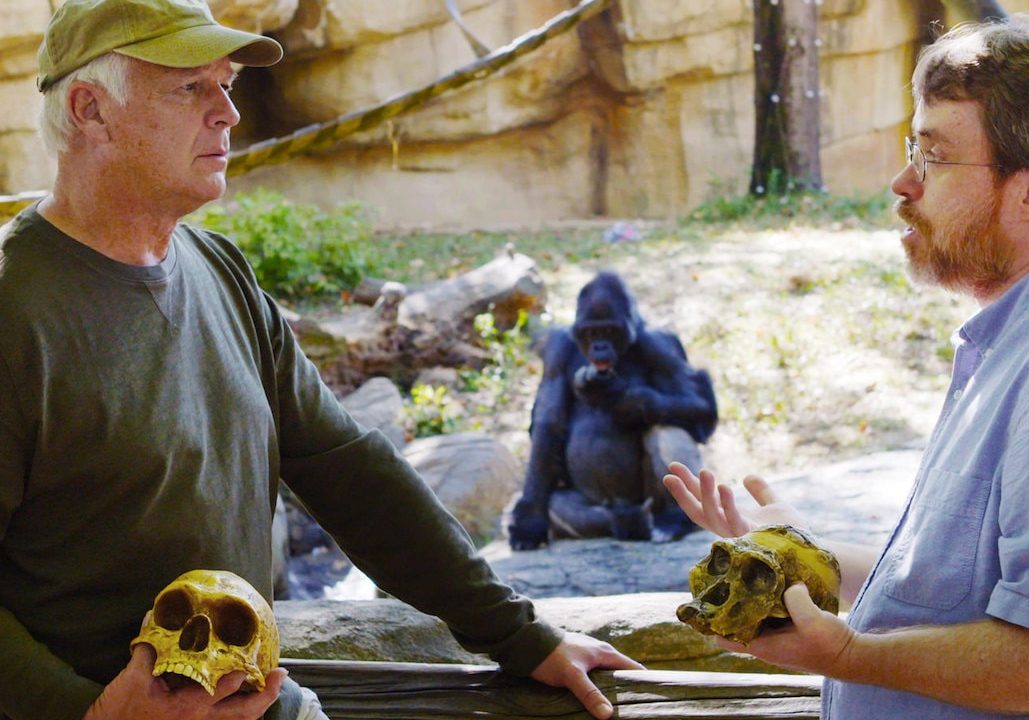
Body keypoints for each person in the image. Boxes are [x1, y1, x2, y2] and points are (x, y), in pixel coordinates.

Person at [0, 1, 642, 719]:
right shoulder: (14, 310)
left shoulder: (221, 272)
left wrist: (521, 634)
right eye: (190, 88)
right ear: (90, 109)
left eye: (228, 84)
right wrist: (84, 712)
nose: (228, 115)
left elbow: (349, 472)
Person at [665, 14, 1029, 720]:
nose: (903, 181)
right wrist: (799, 554)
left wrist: (847, 658)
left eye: (934, 156)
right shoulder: (1021, 338)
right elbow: (956, 588)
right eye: (911, 148)